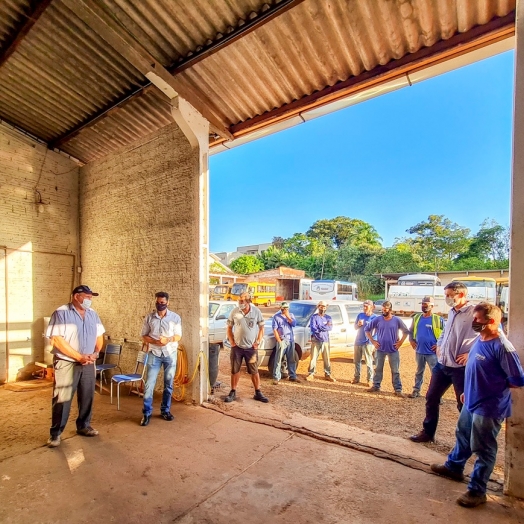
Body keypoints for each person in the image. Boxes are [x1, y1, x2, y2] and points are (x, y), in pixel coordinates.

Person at [430, 302, 524, 508]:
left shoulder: (503, 347)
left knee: (484, 448)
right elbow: (475, 370)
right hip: (470, 401)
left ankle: (477, 490)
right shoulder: (480, 339)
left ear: (491, 322)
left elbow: (517, 380)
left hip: (488, 408)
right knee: (462, 436)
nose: (473, 321)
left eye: (477, 319)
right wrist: (467, 391)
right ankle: (454, 467)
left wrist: (491, 392)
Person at [410, 282, 477, 443]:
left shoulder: (474, 312)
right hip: (443, 365)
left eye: (449, 295)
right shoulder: (452, 312)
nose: (446, 298)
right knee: (431, 397)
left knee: (463, 404)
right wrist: (440, 345)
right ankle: (428, 432)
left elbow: (490, 335)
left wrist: (471, 354)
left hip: (460, 368)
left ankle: (465, 442)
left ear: (460, 294)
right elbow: (445, 332)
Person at [46, 285, 105, 448]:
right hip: (67, 363)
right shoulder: (61, 313)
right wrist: (78, 356)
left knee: (87, 396)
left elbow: (99, 336)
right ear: (76, 296)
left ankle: (84, 426)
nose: (90, 300)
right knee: (62, 398)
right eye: (87, 296)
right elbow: (56, 340)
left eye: (91, 297)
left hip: (88, 362)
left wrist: (95, 353)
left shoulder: (93, 314)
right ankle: (55, 434)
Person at [140, 291, 182, 427]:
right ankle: (146, 413)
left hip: (170, 354)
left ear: (167, 302)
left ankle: (165, 410)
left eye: (162, 303)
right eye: (158, 302)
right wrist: (154, 341)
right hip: (154, 353)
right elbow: (144, 335)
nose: (160, 305)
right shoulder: (149, 318)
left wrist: (167, 340)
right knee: (149, 385)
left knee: (168, 385)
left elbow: (178, 336)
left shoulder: (175, 318)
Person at [225, 292, 269, 403]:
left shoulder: (256, 312)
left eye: (242, 301)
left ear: (248, 301)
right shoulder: (235, 311)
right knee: (235, 370)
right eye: (239, 301)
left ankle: (258, 392)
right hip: (237, 347)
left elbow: (262, 327)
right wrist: (232, 342)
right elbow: (229, 328)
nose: (240, 303)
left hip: (251, 348)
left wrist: (258, 341)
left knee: (254, 370)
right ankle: (233, 391)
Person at [365, 300, 409, 396]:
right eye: (382, 309)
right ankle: (376, 386)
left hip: (393, 350)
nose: (383, 311)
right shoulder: (378, 319)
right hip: (380, 349)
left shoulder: (396, 320)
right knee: (378, 369)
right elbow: (367, 329)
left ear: (390, 310)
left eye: (385, 309)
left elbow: (406, 331)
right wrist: (373, 341)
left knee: (395, 370)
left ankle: (398, 389)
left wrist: (400, 342)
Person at [408, 296, 445, 398]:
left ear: (432, 306)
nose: (424, 306)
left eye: (426, 304)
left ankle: (437, 395)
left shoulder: (438, 320)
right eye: (423, 304)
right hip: (419, 350)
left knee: (436, 373)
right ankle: (416, 390)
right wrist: (411, 340)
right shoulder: (416, 318)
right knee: (419, 371)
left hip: (432, 353)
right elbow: (410, 331)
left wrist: (439, 345)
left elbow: (446, 334)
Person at [306, 301, 336, 382]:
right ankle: (311, 373)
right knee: (313, 358)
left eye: (324, 307)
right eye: (321, 306)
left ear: (326, 308)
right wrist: (324, 327)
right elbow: (313, 328)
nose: (322, 308)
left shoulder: (328, 318)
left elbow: (330, 328)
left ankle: (328, 374)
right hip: (316, 340)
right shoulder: (314, 317)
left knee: (326, 358)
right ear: (318, 307)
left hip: (325, 340)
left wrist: (320, 327)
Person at [272, 301, 300, 384]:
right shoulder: (276, 317)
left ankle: (293, 376)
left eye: (287, 308)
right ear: (281, 308)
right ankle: (276, 377)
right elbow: (275, 329)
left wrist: (288, 316)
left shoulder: (291, 315)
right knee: (278, 359)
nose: (285, 310)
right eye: (284, 308)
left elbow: (294, 324)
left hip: (290, 340)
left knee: (291, 359)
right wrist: (279, 340)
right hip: (282, 340)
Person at [352, 299, 376, 387]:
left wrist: (373, 341)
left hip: (368, 342)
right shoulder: (360, 315)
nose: (364, 308)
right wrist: (358, 325)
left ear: (371, 307)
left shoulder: (374, 318)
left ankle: (370, 379)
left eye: (366, 306)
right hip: (358, 340)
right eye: (364, 306)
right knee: (357, 361)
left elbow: (377, 331)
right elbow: (355, 327)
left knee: (368, 362)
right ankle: (356, 377)